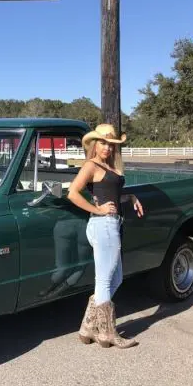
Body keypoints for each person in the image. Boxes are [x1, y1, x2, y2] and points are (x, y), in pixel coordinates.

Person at [67, 124, 144, 349]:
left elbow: (111, 194)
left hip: (112, 225)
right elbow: (72, 193)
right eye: (103, 143)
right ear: (94, 144)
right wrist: (98, 210)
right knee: (104, 280)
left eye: (110, 144)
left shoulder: (107, 166)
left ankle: (88, 327)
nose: (107, 148)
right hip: (103, 225)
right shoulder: (91, 165)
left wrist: (129, 198)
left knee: (116, 278)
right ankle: (107, 333)